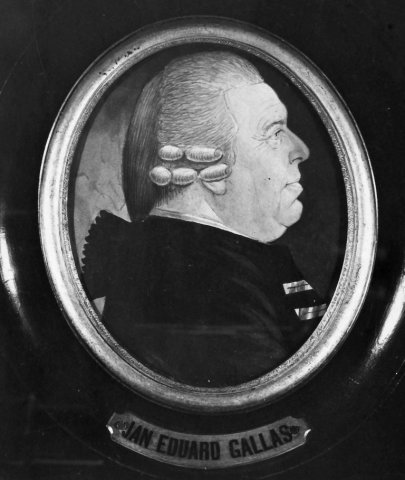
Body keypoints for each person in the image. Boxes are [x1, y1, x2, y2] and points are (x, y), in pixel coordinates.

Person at [82, 51, 327, 387]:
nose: (300, 150)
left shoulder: (256, 264)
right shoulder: (207, 295)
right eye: (273, 132)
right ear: (211, 170)